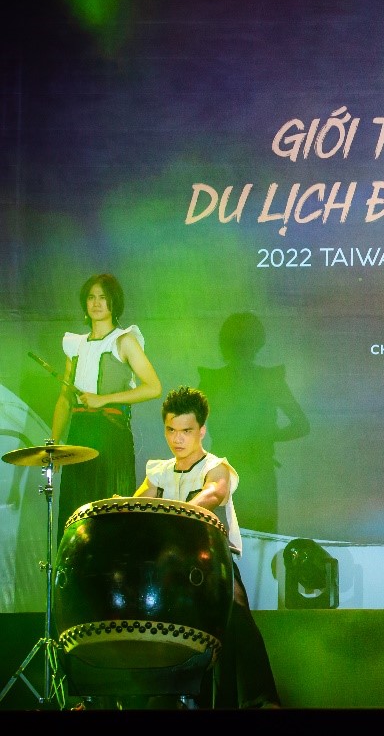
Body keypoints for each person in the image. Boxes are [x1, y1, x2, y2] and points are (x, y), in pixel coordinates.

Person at [134, 385, 282, 709]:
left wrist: (182, 513)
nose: (177, 439)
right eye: (171, 430)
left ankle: (261, 699)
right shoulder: (158, 472)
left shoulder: (215, 466)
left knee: (235, 607)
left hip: (210, 562)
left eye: (186, 431)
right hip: (170, 569)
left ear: (201, 430)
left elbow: (214, 492)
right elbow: (138, 505)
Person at [52, 273, 162, 531]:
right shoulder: (75, 345)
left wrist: (103, 400)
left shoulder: (124, 340)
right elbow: (65, 399)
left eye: (103, 297)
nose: (96, 303)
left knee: (110, 512)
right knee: (75, 513)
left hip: (112, 433)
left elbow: (153, 387)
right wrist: (54, 445)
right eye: (91, 297)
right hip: (79, 435)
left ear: (114, 302)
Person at [197, 311, 310, 533]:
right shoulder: (269, 380)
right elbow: (301, 425)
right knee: (260, 540)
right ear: (258, 341)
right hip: (252, 471)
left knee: (222, 539)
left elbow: (188, 425)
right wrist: (266, 435)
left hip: (229, 471)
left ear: (224, 342)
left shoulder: (212, 381)